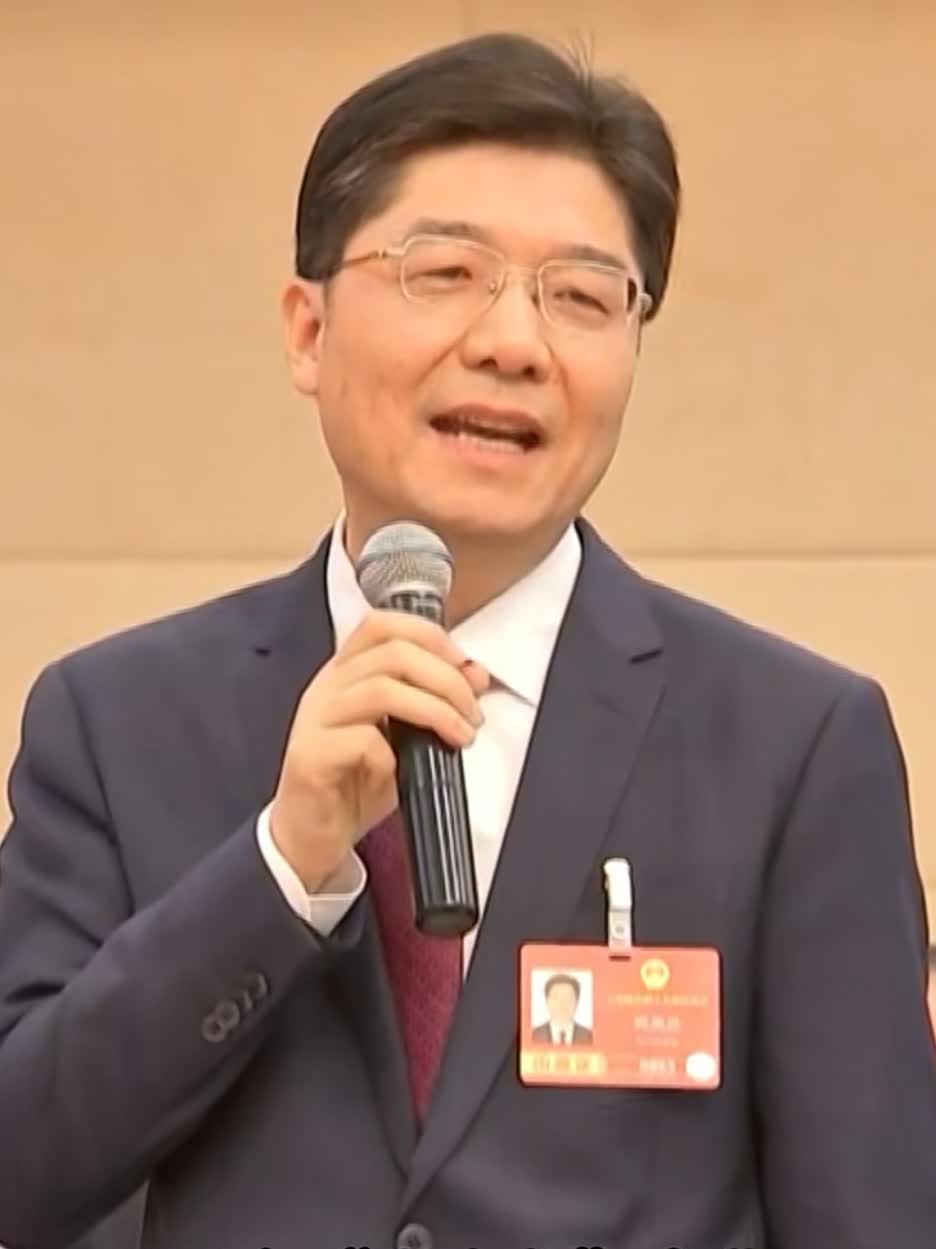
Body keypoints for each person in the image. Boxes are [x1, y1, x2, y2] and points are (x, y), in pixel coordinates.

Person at [0, 30, 934, 1249]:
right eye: (445, 273)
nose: (513, 343)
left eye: (581, 296)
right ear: (306, 330)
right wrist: (283, 866)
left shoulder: (794, 748)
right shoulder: (117, 722)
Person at [531, 972, 593, 1044]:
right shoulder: (534, 1035)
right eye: (556, 998)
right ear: (547, 1001)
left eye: (568, 997)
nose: (562, 1004)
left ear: (577, 1001)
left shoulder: (588, 1036)